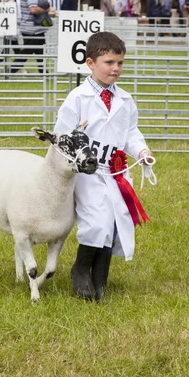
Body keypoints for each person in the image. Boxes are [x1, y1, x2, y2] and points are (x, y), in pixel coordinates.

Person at [53, 31, 154, 302]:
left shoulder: (126, 100)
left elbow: (131, 132)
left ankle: (100, 278)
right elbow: (62, 136)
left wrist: (141, 151)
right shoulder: (77, 98)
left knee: (114, 222)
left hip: (116, 172)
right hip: (87, 172)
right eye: (109, 62)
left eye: (120, 63)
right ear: (90, 63)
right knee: (96, 220)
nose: (116, 69)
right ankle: (80, 270)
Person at [18, 0, 50, 74]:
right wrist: (46, 10)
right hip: (31, 29)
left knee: (39, 51)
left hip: (33, 29)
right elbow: (33, 9)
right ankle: (11, 69)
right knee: (27, 52)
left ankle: (44, 72)